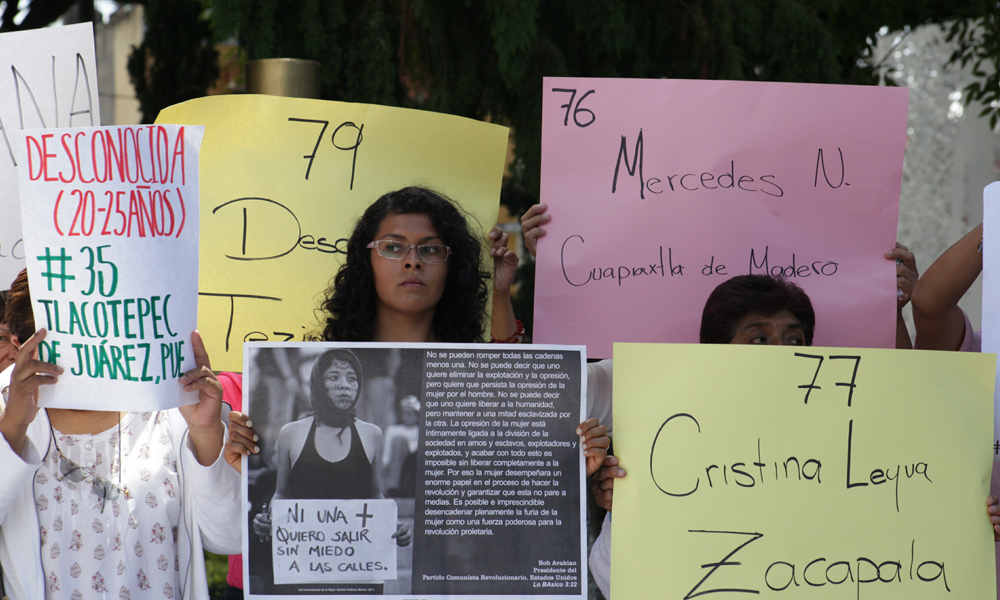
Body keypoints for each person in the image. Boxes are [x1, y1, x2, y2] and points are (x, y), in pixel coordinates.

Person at [223, 187, 610, 597]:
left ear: (452, 266)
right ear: (365, 260)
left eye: (430, 250)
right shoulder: (316, 370)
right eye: (393, 247)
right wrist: (242, 459)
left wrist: (562, 473)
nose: (412, 260)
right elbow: (275, 498)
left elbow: (497, 494)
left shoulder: (477, 381)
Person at [0, 270, 240, 600]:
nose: (88, 355)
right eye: (66, 343)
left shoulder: (172, 406)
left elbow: (229, 537)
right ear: (19, 345)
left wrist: (206, 431)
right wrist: (11, 427)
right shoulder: (6, 410)